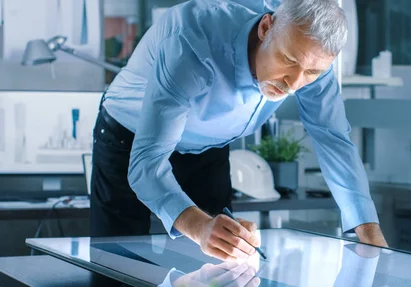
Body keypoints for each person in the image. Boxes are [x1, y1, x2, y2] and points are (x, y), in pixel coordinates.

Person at [91, 0, 388, 262]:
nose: (294, 84)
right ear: (265, 28)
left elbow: (333, 140)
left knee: (220, 268)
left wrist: (368, 231)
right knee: (119, 265)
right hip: (128, 137)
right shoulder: (191, 42)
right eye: (288, 60)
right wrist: (199, 226)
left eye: (311, 73)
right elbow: (146, 166)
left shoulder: (310, 62)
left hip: (208, 148)